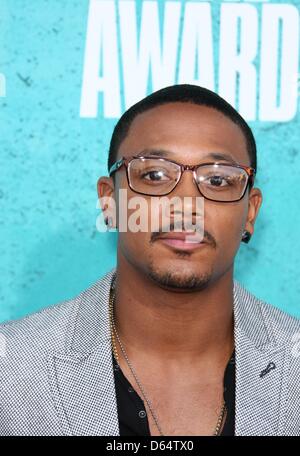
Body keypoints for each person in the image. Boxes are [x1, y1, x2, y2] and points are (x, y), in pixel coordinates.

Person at [0, 85, 299, 436]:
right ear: (110, 202)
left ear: (250, 212)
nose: (187, 204)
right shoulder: (13, 369)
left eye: (218, 179)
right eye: (154, 175)